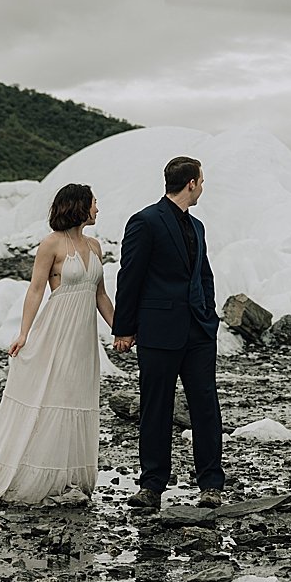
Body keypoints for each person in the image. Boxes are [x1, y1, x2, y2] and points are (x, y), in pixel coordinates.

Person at [0, 184, 113, 506]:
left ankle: (67, 477)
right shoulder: (51, 244)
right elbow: (35, 290)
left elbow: (100, 295)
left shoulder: (95, 246)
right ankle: (37, 476)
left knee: (76, 397)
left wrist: (122, 330)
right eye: (95, 203)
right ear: (79, 206)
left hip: (83, 336)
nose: (98, 208)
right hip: (56, 329)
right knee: (51, 394)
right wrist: (24, 334)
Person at [112, 157, 225, 511]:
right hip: (159, 331)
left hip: (199, 332)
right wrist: (125, 329)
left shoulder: (199, 227)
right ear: (190, 183)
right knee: (155, 408)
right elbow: (129, 276)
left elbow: (203, 275)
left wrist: (209, 313)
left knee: (206, 408)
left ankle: (210, 485)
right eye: (201, 181)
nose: (203, 187)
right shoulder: (146, 221)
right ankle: (151, 486)